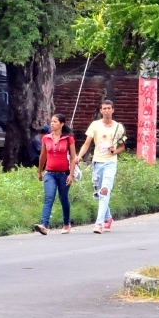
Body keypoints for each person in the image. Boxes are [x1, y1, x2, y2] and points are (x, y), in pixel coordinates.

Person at [78, 99, 126, 234]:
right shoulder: (95, 125)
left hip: (111, 163)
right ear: (101, 111)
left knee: (105, 190)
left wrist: (114, 151)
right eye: (104, 108)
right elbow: (87, 143)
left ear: (113, 110)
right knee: (100, 192)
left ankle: (99, 223)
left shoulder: (118, 127)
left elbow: (123, 147)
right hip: (97, 162)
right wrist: (79, 156)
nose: (107, 111)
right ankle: (108, 218)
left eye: (109, 108)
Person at [35, 114, 76, 235]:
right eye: (51, 121)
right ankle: (44, 225)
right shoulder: (46, 138)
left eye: (55, 122)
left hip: (64, 173)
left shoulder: (68, 138)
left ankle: (66, 223)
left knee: (63, 198)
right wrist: (40, 171)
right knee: (49, 198)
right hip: (50, 173)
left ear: (62, 124)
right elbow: (43, 156)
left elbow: (73, 158)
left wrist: (71, 175)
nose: (52, 124)